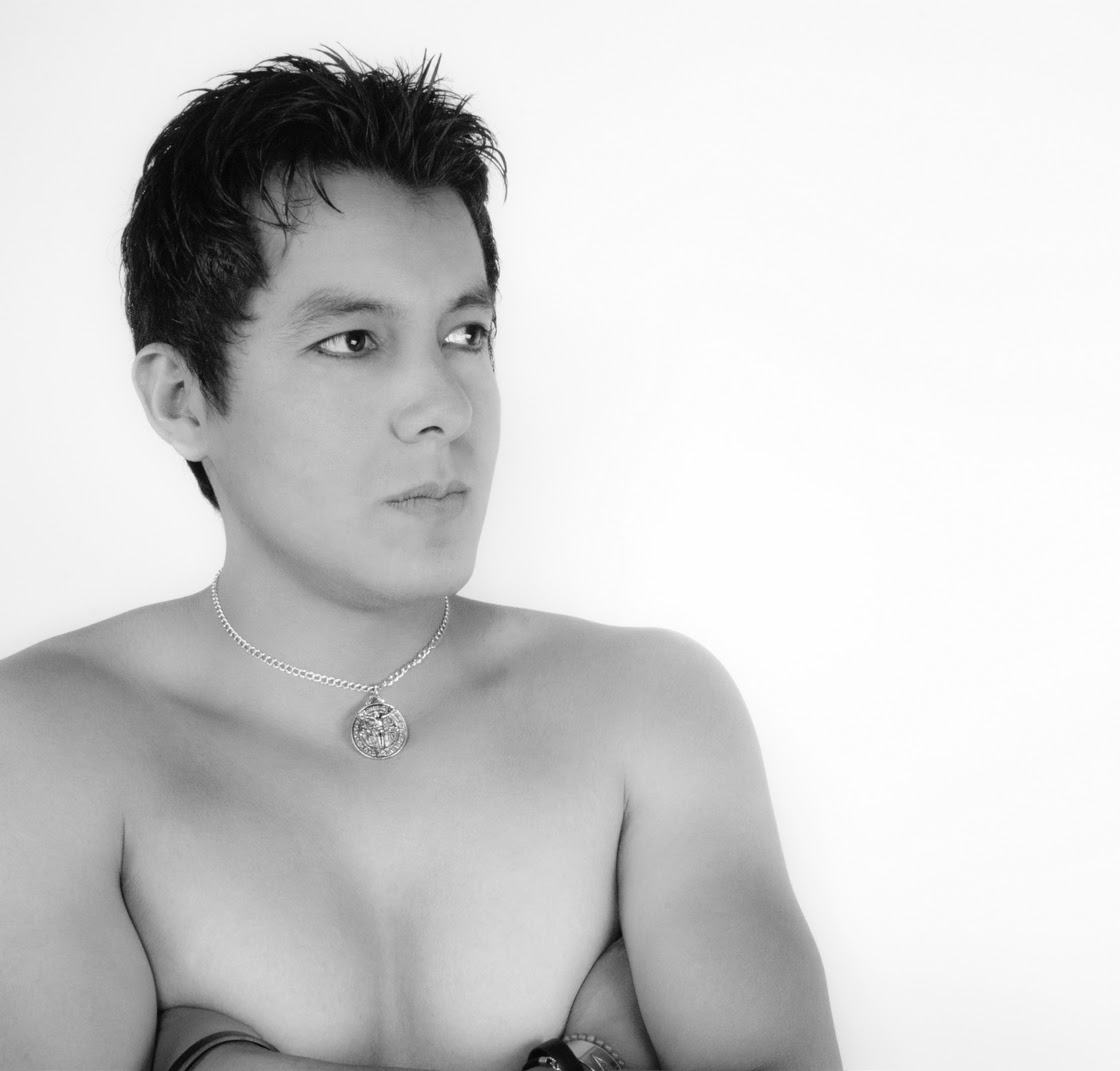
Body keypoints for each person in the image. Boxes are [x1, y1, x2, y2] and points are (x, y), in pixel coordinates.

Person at [0, 51, 840, 1071]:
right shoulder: (46, 740)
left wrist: (208, 1057)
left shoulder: (653, 712)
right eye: (353, 341)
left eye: (467, 332)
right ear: (183, 400)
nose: (443, 403)